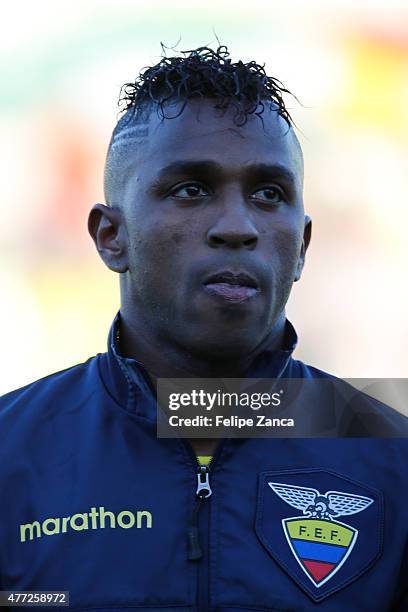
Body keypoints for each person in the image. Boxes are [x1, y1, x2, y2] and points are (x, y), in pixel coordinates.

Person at [0, 45, 407, 611]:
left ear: (303, 247)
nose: (238, 227)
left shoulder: (393, 462)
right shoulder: (12, 453)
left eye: (269, 194)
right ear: (110, 236)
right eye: (191, 190)